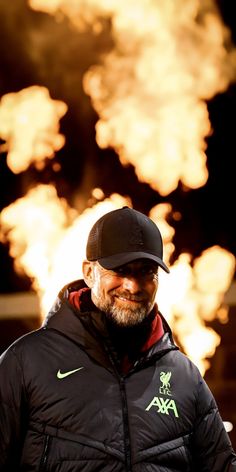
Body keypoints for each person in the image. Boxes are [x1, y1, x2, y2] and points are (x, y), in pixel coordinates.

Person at [0, 206, 235, 472]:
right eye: (120, 270)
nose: (133, 286)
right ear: (89, 273)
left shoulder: (185, 376)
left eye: (146, 272)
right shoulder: (25, 363)